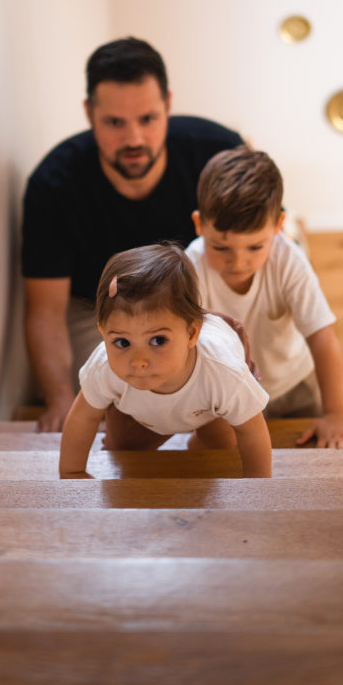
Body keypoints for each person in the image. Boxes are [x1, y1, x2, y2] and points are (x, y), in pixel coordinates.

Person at [22, 36, 243, 431]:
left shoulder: (217, 151)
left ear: (168, 106)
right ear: (90, 113)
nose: (134, 140)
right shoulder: (53, 184)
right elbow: (46, 309)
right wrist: (58, 399)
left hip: (203, 292)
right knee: (108, 393)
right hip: (98, 311)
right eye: (114, 123)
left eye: (148, 119)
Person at [185, 145, 343, 449]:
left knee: (316, 455)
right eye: (221, 248)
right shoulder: (191, 267)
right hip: (227, 395)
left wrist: (337, 414)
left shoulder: (288, 259)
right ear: (199, 225)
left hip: (293, 386)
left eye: (254, 247)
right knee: (221, 461)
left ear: (278, 226)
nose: (238, 262)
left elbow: (321, 336)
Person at [59, 243, 272, 478]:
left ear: (192, 334)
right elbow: (83, 418)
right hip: (139, 413)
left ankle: (199, 443)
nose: (138, 361)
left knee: (221, 443)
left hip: (209, 406)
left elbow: (252, 431)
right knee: (123, 452)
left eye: (158, 341)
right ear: (103, 332)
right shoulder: (103, 367)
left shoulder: (223, 371)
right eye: (122, 343)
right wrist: (72, 472)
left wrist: (258, 487)